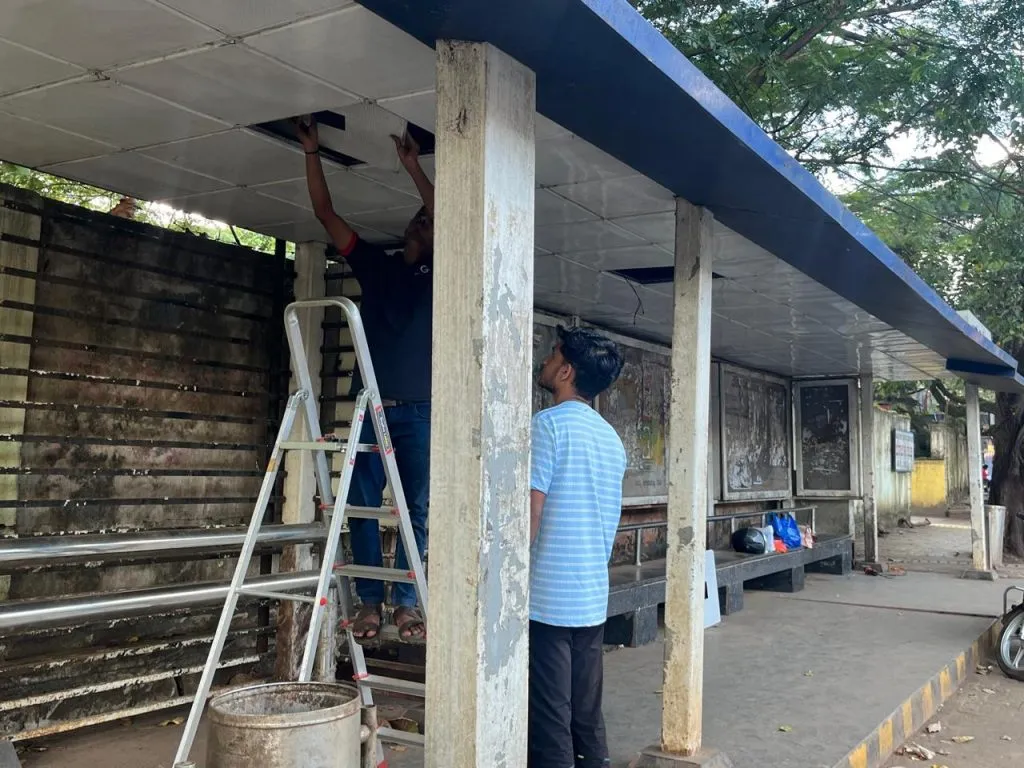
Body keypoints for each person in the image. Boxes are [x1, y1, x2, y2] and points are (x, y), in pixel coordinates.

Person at [296, 116, 433, 640]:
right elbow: (324, 213)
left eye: (428, 219)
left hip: (420, 411)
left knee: (415, 507)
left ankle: (405, 603)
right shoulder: (378, 267)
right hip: (370, 409)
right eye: (416, 218)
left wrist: (413, 167)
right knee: (361, 506)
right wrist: (312, 151)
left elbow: (449, 213)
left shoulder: (442, 271)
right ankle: (372, 603)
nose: (422, 222)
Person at [529, 326, 627, 768]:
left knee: (549, 717)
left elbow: (530, 512)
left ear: (566, 370)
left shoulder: (547, 427)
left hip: (547, 597)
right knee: (585, 714)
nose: (546, 362)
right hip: (590, 596)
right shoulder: (611, 439)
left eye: (552, 356)